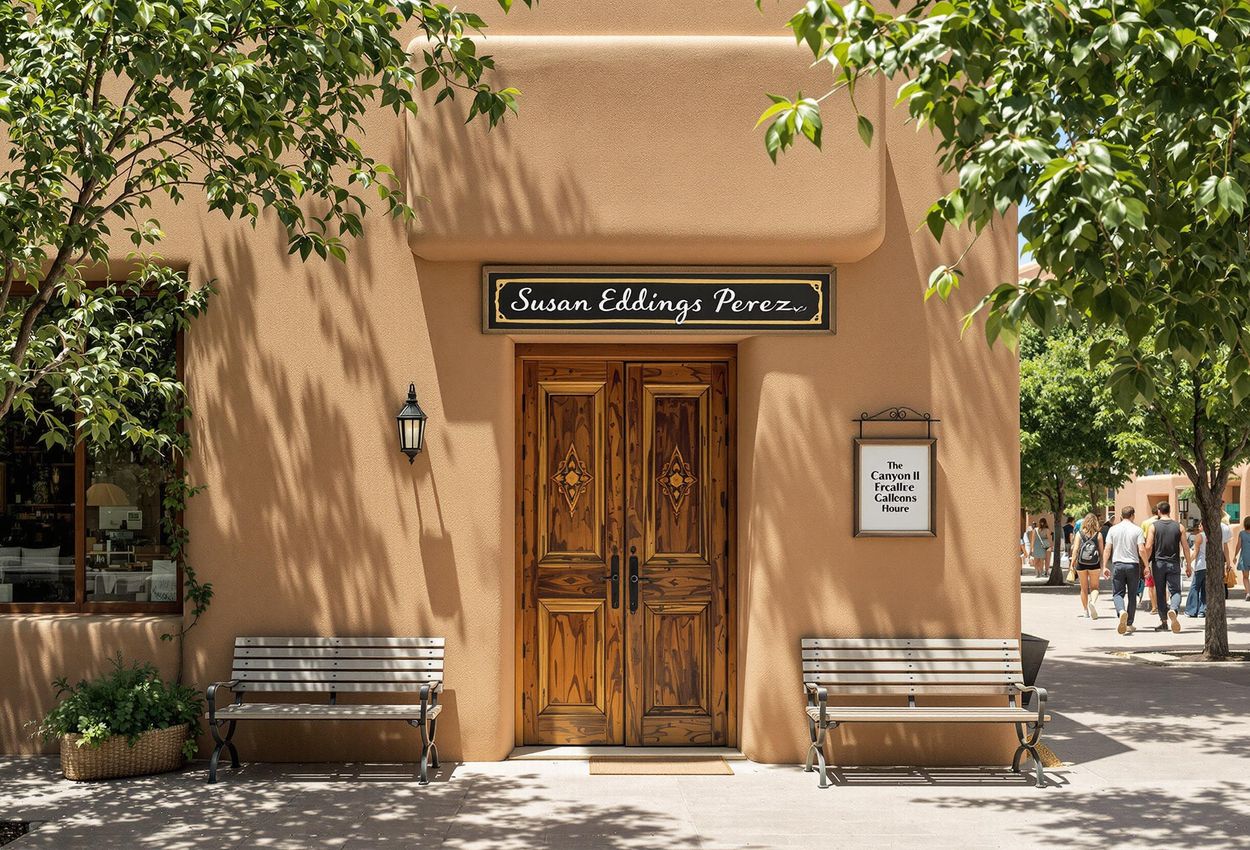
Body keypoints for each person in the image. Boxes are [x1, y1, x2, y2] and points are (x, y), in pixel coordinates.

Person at [1145, 500, 1189, 633]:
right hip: (1174, 563)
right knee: (1175, 590)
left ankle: (1164, 622)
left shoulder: (1154, 526)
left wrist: (1146, 564)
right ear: (1169, 511)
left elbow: (1148, 546)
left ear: (1158, 511)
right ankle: (1174, 609)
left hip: (1158, 564)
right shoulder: (1179, 526)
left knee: (1160, 592)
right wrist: (1188, 565)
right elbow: (1185, 547)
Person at [1103, 506, 1147, 635]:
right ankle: (1129, 623)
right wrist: (1146, 566)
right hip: (1133, 565)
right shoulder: (1137, 530)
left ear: (1121, 516)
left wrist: (1105, 566)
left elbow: (1107, 549)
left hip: (1118, 564)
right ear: (1132, 515)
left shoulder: (1113, 529)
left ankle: (1121, 611)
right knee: (1132, 595)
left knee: (1117, 594)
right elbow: (1142, 550)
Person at [1073, 512, 1104, 619]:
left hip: (1081, 563)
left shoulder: (1079, 534)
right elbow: (1101, 551)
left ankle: (1085, 611)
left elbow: (1075, 549)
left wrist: (1072, 563)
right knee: (1095, 587)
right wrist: (1103, 565)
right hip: (1094, 564)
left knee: (1083, 588)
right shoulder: (1098, 535)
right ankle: (1093, 603)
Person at [1185, 518, 1207, 618]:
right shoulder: (1213, 536)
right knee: (1204, 588)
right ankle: (1202, 610)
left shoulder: (1199, 536)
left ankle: (1191, 610)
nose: (1199, 527)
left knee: (1195, 587)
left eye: (1200, 525)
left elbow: (1196, 552)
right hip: (1209, 566)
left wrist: (1188, 562)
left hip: (1200, 565)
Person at [1234, 517, 1250, 600]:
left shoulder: (1242, 533)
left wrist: (1235, 556)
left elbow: (1238, 545)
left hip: (1245, 557)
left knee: (1245, 577)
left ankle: (1248, 593)